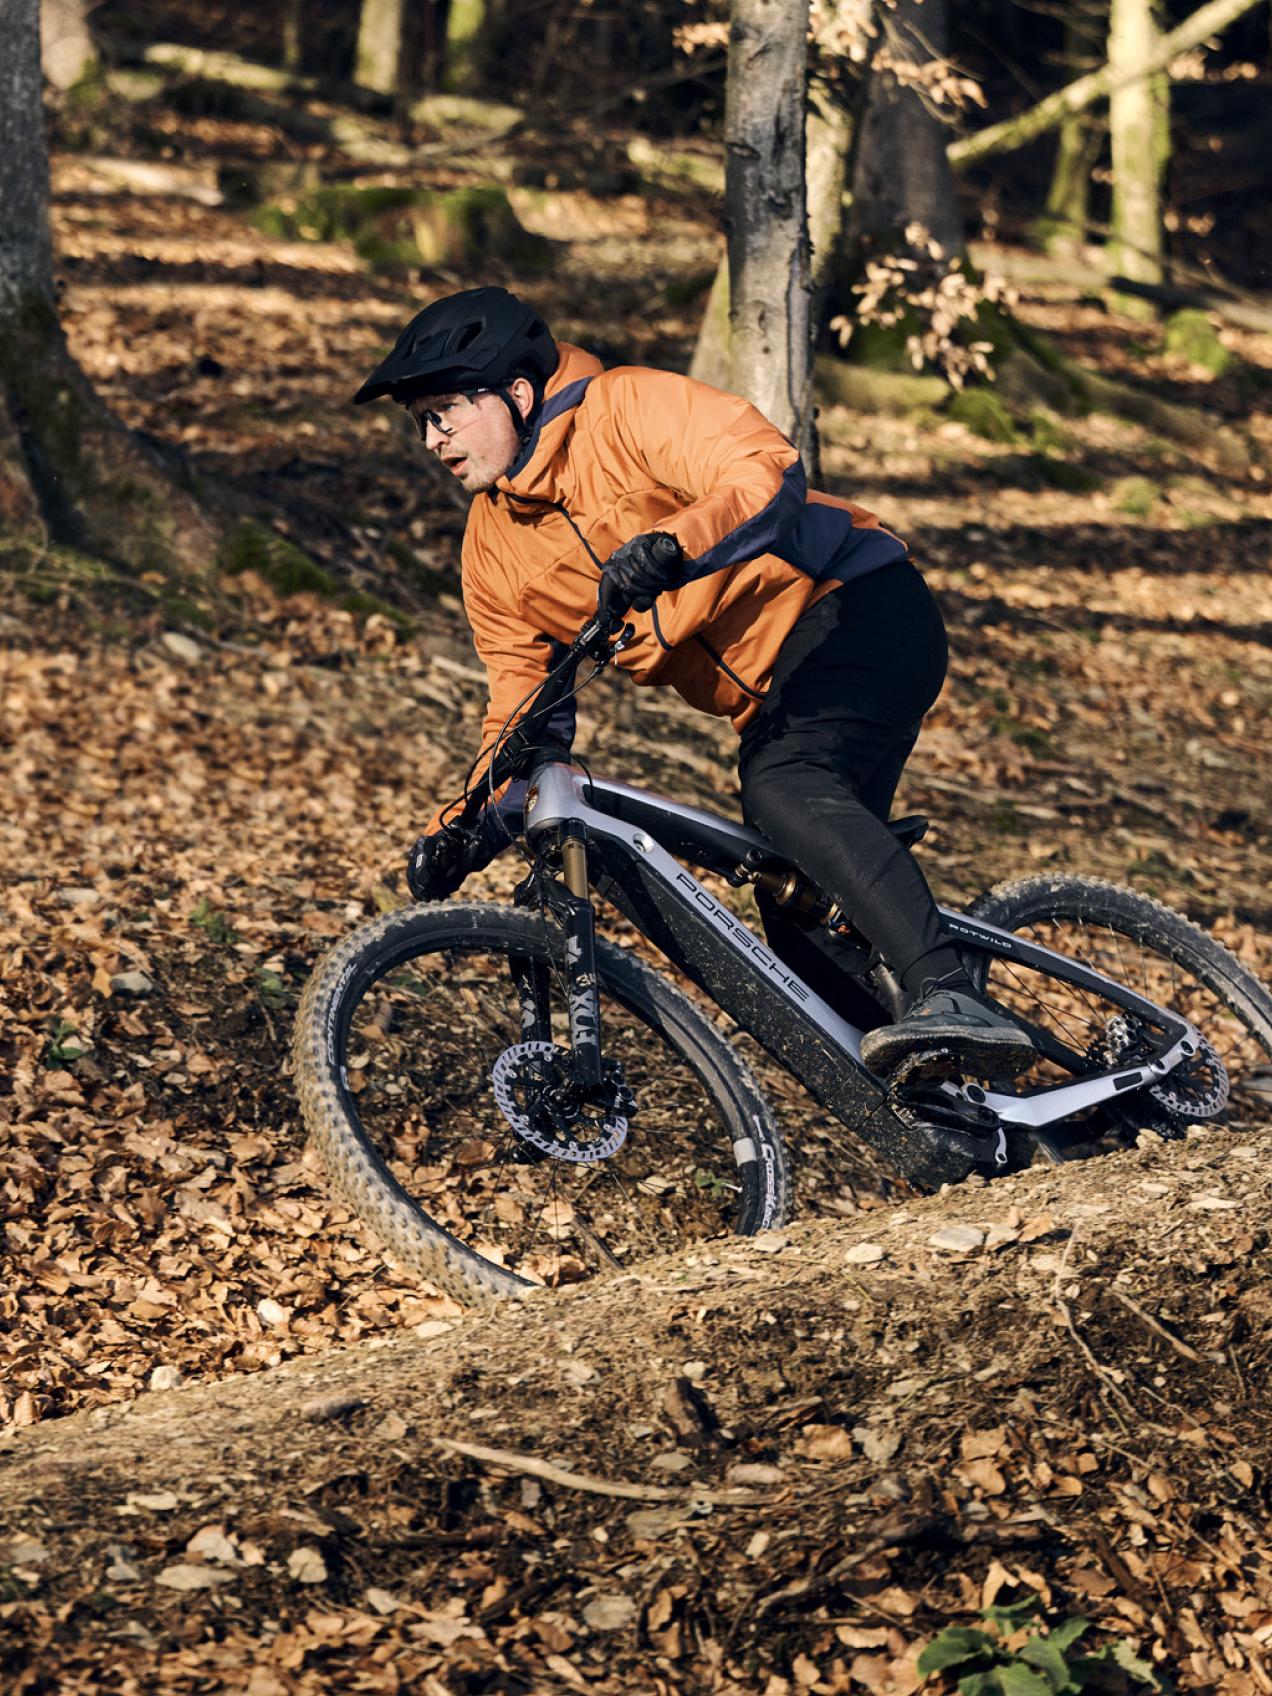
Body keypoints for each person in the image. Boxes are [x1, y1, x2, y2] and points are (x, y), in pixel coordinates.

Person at [353, 286, 1033, 1078]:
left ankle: (951, 992)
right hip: (771, 696)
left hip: (852, 603)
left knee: (784, 787)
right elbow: (520, 698)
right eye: (419, 425)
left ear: (516, 392)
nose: (432, 440)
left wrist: (674, 544)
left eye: (442, 414)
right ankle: (966, 1103)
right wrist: (470, 821)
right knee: (796, 918)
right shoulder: (491, 548)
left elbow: (761, 470)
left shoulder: (625, 408)